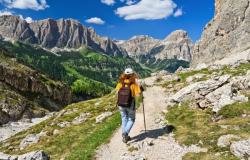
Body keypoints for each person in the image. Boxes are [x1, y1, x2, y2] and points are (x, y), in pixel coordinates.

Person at [116, 68, 141, 143]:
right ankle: (125, 133)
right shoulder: (133, 84)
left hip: (120, 103)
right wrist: (140, 86)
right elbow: (139, 94)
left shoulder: (120, 82)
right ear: (132, 75)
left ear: (124, 75)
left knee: (124, 118)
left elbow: (117, 92)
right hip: (130, 104)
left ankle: (125, 136)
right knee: (131, 119)